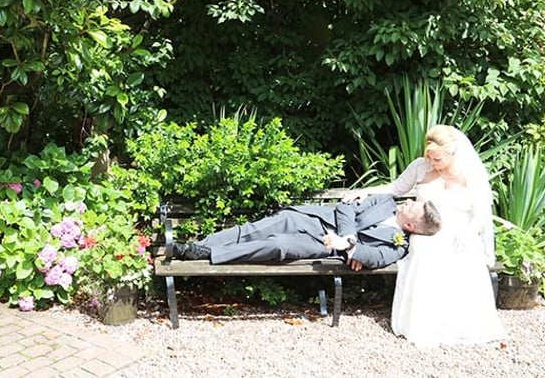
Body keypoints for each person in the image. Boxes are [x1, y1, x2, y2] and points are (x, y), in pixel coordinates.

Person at [344, 124, 507, 347]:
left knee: (466, 253)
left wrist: (469, 233)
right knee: (422, 251)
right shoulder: (420, 167)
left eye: (437, 159)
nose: (433, 163)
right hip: (426, 230)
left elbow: (481, 213)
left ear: (452, 152)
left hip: (461, 230)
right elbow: (396, 188)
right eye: (430, 157)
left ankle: (460, 324)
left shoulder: (470, 174)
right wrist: (364, 192)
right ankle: (424, 323)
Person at [173, 195, 442, 271]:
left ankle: (210, 254)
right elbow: (345, 208)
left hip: (323, 247)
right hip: (316, 221)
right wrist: (349, 240)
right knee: (261, 227)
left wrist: (348, 249)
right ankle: (197, 247)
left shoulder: (398, 245)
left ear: (410, 226)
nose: (409, 202)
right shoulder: (384, 202)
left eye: (413, 207)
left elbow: (375, 258)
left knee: (278, 245)